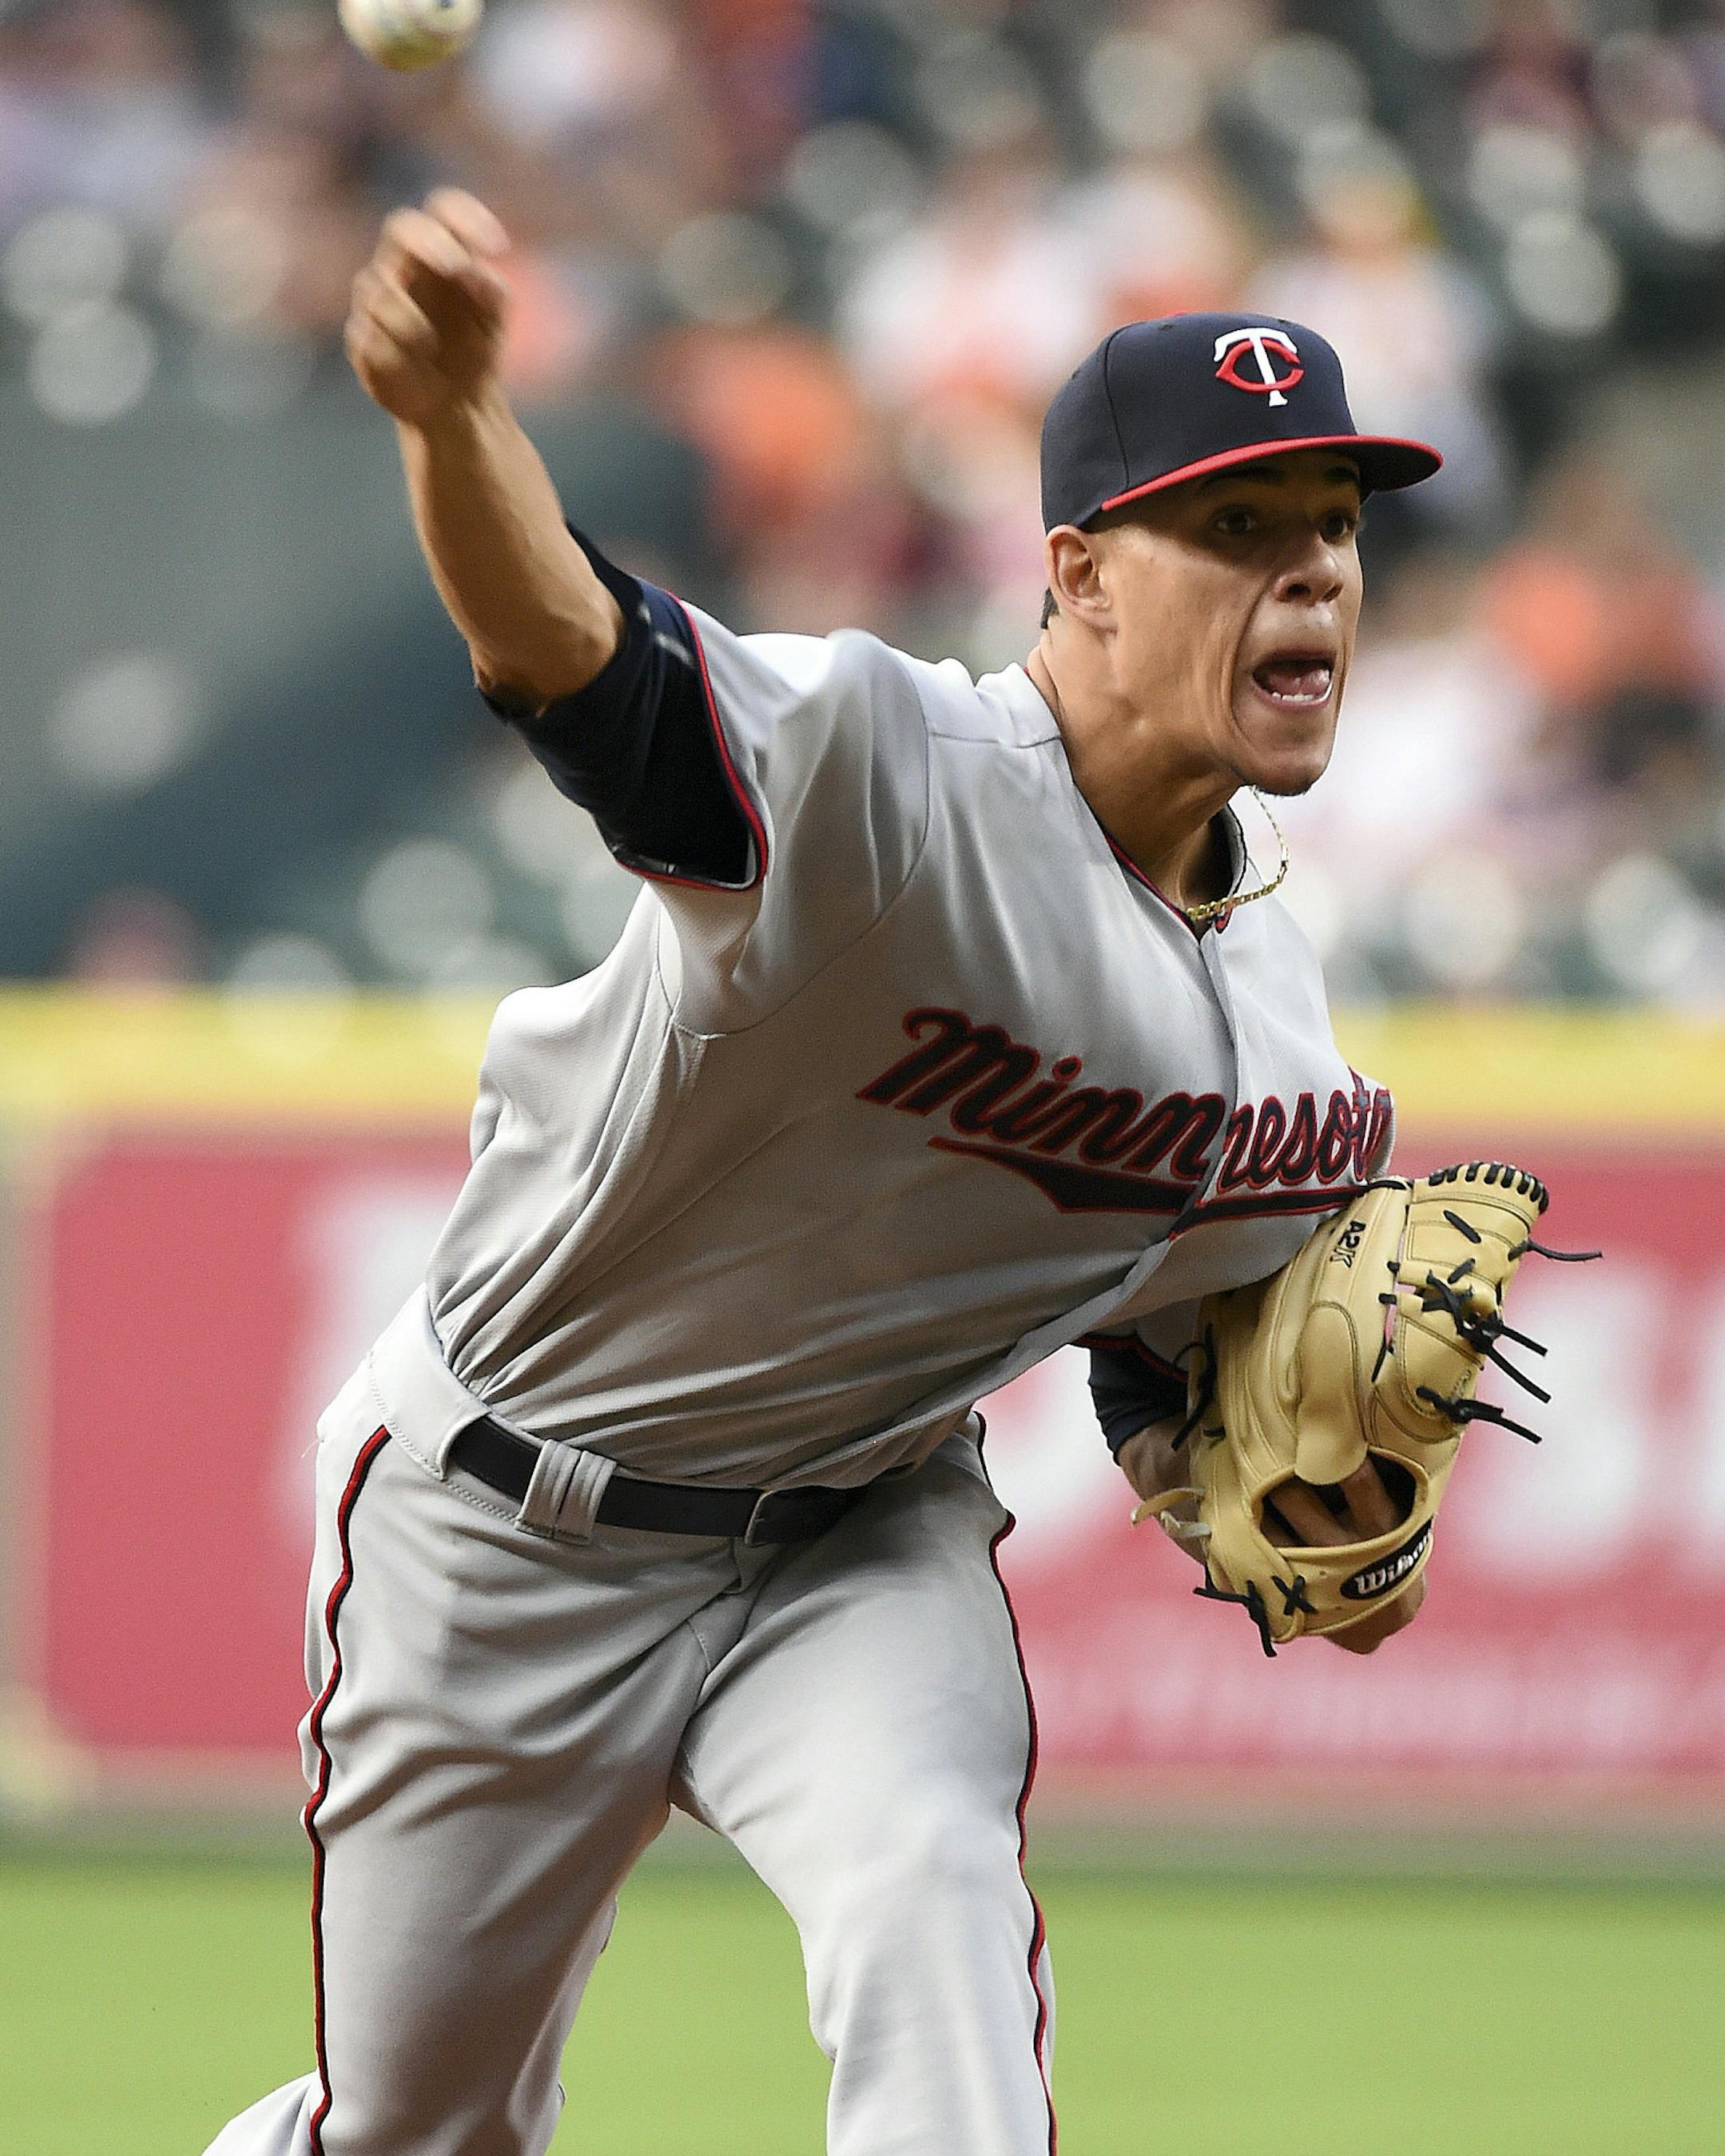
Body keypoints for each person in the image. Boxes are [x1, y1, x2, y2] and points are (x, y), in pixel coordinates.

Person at [209, 194, 1443, 2156]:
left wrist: (1293, 1491)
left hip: (855, 1541)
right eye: (1236, 526)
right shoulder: (888, 774)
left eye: (1336, 526)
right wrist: (454, 421)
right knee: (415, 2131)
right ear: (1079, 576)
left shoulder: (1289, 1028)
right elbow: (577, 662)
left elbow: (1166, 1329)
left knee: (935, 1923)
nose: (1308, 571)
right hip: (509, 1525)